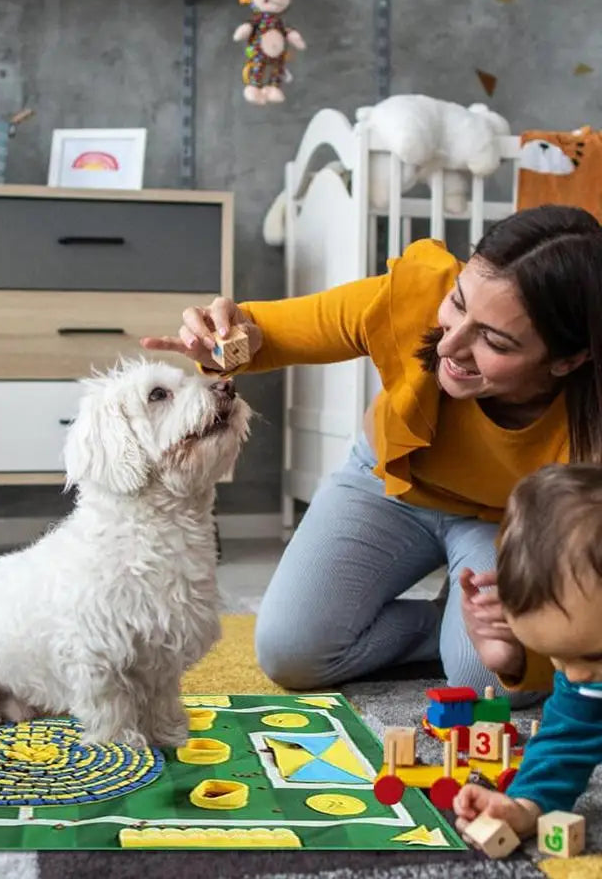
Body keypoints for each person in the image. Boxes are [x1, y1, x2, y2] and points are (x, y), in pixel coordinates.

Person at [141, 205, 602, 695]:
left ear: (568, 360)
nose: (450, 346)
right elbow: (272, 330)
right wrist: (227, 335)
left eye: (494, 340)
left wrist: (523, 650)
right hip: (387, 485)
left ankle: (461, 643)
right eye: (459, 303)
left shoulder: (588, 428)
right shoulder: (416, 293)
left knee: (490, 676)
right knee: (289, 653)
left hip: (511, 522)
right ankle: (443, 628)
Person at [454, 464, 602, 840]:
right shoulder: (584, 678)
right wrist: (524, 806)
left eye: (594, 657)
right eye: (555, 657)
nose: (573, 676)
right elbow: (568, 739)